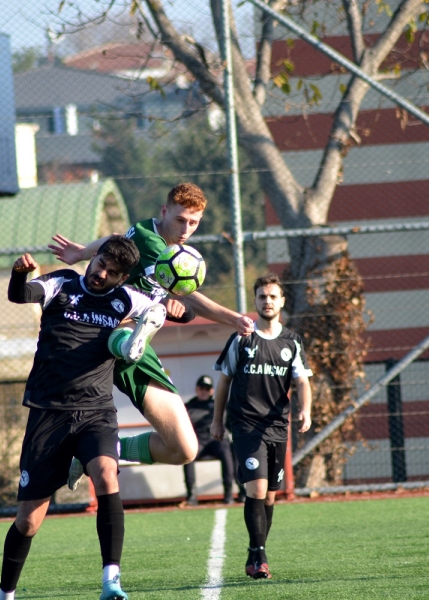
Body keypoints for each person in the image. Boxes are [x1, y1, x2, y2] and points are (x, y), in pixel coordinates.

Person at [49, 182, 254, 485]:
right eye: (180, 219)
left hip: (139, 344)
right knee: (129, 323)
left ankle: (101, 451)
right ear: (164, 211)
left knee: (184, 448)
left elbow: (116, 238)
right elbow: (189, 295)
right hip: (108, 332)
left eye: (194, 223)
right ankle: (125, 343)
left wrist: (82, 252)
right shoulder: (152, 242)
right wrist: (233, 318)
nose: (186, 229)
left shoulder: (155, 239)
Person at [0, 235, 164, 600]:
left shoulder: (126, 299)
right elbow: (20, 296)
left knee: (106, 474)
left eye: (111, 272)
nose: (100, 273)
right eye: (99, 263)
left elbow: (164, 310)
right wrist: (18, 275)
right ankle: (5, 594)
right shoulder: (63, 282)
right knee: (28, 521)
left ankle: (111, 581)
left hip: (96, 411)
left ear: (122, 278)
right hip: (48, 414)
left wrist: (170, 312)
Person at [211, 273, 312, 580]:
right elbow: (224, 380)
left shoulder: (292, 341)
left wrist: (305, 410)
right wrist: (217, 420)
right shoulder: (242, 338)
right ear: (254, 301)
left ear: (281, 301)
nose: (267, 301)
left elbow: (302, 381)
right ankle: (259, 556)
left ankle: (256, 550)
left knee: (269, 496)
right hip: (245, 424)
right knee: (256, 489)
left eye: (272, 296)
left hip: (277, 427)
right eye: (261, 296)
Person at [181, 374, 238, 506]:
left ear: (212, 390)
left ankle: (229, 494)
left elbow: (230, 424)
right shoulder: (189, 406)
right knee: (187, 454)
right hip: (198, 440)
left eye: (207, 388)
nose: (204, 391)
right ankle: (192, 495)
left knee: (227, 450)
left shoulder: (219, 404)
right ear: (196, 389)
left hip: (216, 440)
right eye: (201, 387)